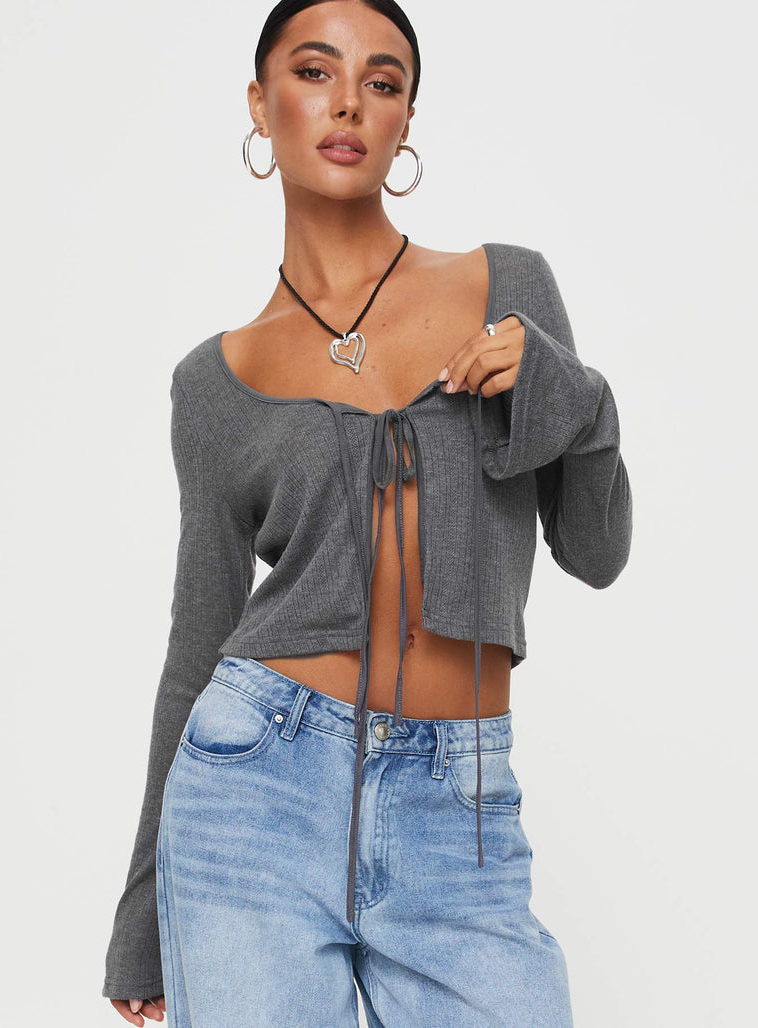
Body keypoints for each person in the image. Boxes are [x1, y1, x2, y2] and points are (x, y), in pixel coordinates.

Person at [102, 1, 633, 1024]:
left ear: (405, 121)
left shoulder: (508, 287)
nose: (348, 101)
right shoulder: (213, 382)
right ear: (260, 104)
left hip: (459, 803)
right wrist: (140, 918)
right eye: (314, 72)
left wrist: (576, 394)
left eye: (381, 82)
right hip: (251, 789)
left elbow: (596, 550)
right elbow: (195, 642)